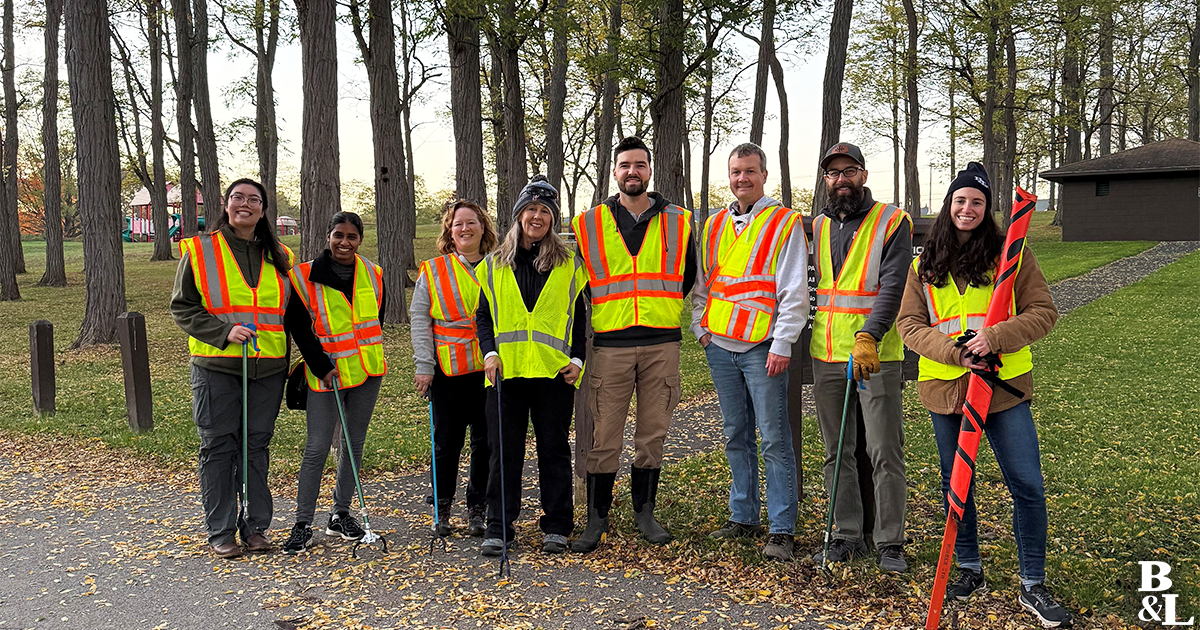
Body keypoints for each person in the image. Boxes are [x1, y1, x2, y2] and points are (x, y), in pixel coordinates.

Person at [897, 162, 1069, 627]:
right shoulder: (923, 264)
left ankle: (1033, 582)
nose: (967, 209)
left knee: (1027, 485)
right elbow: (909, 325)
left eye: (976, 202)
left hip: (1003, 392)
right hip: (946, 391)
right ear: (948, 206)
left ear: (987, 209)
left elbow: (1043, 313)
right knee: (957, 487)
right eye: (959, 201)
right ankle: (969, 568)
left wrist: (995, 338)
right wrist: (955, 353)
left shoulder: (1011, 256)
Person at [570, 137, 697, 553]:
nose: (632, 172)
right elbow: (575, 287)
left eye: (640, 165)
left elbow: (690, 276)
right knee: (604, 434)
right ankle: (597, 519)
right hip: (610, 346)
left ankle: (645, 512)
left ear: (650, 170)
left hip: (662, 343)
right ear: (614, 171)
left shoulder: (680, 221)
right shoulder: (587, 224)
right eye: (625, 165)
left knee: (652, 434)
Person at [691, 142, 808, 562]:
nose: (743, 178)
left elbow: (794, 290)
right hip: (719, 344)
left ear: (764, 175)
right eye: (736, 171)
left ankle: (781, 528)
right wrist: (699, 326)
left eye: (750, 171)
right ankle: (743, 516)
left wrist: (783, 342)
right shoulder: (716, 223)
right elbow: (706, 281)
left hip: (763, 348)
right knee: (735, 435)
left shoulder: (784, 221)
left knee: (775, 438)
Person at [171, 178, 295, 559]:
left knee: (255, 447)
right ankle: (221, 529)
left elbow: (293, 313)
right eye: (237, 198)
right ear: (225, 206)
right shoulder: (201, 250)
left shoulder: (280, 256)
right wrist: (224, 332)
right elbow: (183, 307)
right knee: (219, 446)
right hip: (217, 367)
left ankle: (256, 526)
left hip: (269, 368)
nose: (246, 204)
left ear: (263, 209)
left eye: (254, 199)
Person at [809, 142, 913, 573]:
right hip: (827, 353)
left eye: (848, 171)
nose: (841, 180)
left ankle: (890, 541)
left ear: (863, 175)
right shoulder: (816, 226)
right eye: (833, 174)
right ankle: (844, 534)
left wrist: (869, 335)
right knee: (838, 450)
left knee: (884, 449)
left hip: (876, 355)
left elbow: (893, 285)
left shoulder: (892, 221)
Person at [476, 175, 588, 556]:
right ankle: (498, 526)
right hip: (505, 372)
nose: (536, 216)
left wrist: (577, 360)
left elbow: (579, 317)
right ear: (518, 214)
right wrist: (489, 353)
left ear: (552, 219)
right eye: (531, 209)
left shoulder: (570, 263)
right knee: (502, 450)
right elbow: (484, 317)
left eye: (545, 211)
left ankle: (557, 525)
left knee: (554, 449)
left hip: (553, 373)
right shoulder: (492, 264)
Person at [280, 212, 387, 555]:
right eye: (338, 235)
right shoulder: (304, 276)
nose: (344, 242)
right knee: (316, 446)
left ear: (360, 240)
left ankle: (340, 513)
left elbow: (374, 320)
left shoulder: (373, 273)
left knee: (353, 445)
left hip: (368, 371)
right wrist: (322, 366)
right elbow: (298, 327)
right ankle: (302, 523)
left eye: (352, 237)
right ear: (328, 236)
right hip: (327, 374)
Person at [410, 200, 497, 538]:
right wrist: (424, 365)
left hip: (489, 367)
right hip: (446, 369)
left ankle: (478, 508)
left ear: (482, 227)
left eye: (471, 222)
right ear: (450, 230)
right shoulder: (433, 270)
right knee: (446, 442)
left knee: (485, 442)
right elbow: (420, 319)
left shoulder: (497, 266)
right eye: (458, 224)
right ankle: (442, 507)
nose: (464, 228)